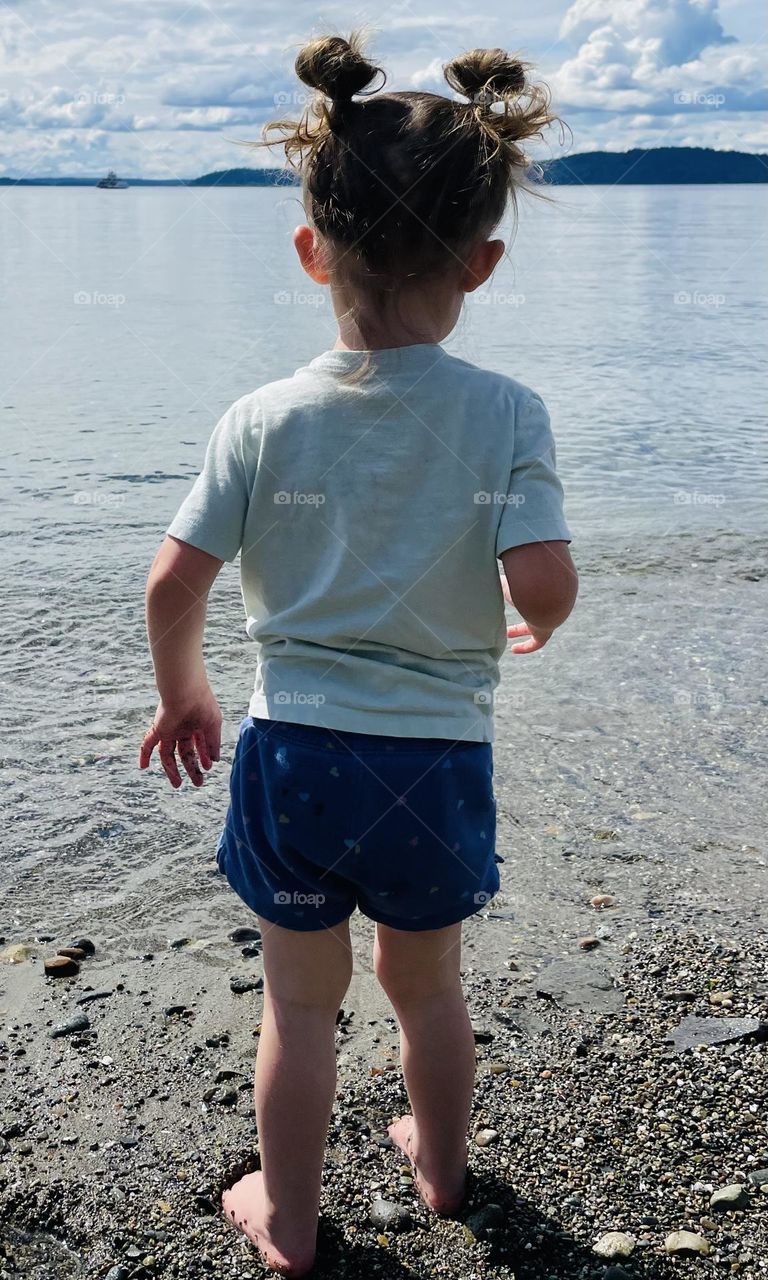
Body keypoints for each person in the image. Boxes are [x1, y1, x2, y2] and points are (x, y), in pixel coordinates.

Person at [139, 32, 577, 1278]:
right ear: (483, 264)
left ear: (309, 248)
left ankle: (287, 1218)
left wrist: (189, 691)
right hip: (436, 759)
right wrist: (535, 613)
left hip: (294, 750)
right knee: (427, 987)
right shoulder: (507, 414)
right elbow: (541, 579)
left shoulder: (262, 417)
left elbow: (175, 581)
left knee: (299, 1001)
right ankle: (440, 1170)